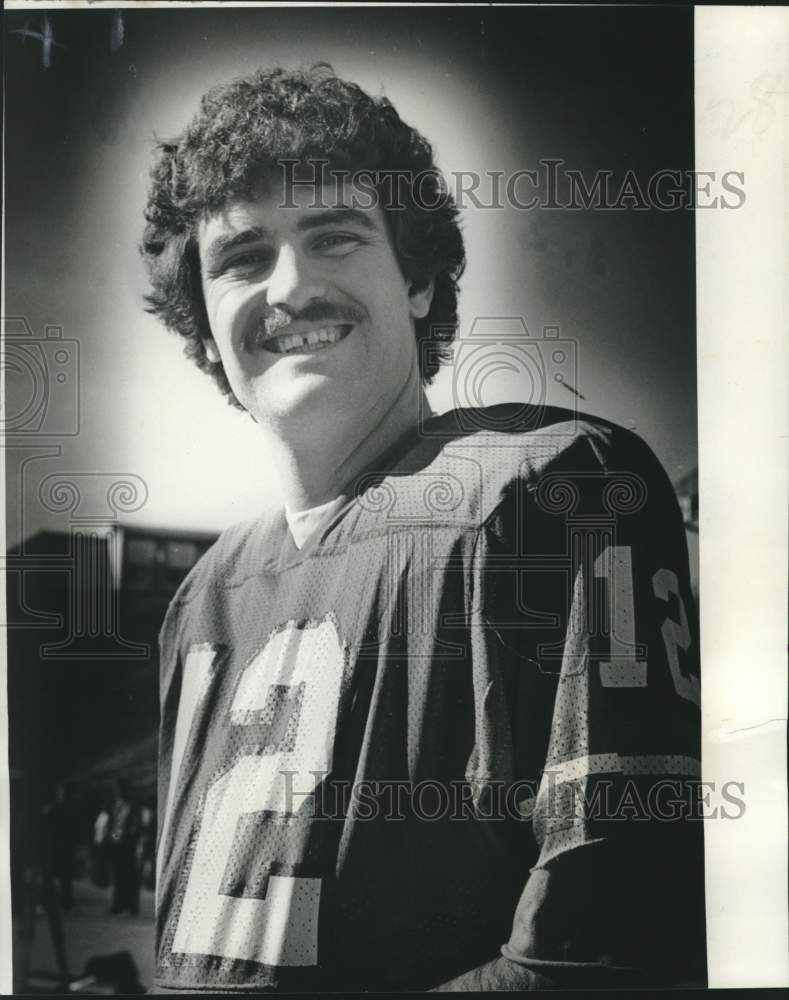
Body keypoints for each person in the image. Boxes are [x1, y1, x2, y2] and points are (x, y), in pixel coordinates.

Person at [141, 66, 706, 992]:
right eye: (242, 256)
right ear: (202, 322)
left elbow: (606, 948)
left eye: (335, 237)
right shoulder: (202, 594)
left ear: (417, 280)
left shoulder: (556, 486)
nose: (290, 286)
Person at [107, 777, 141, 916]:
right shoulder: (116, 806)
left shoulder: (131, 806)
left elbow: (134, 827)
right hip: (118, 844)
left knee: (128, 875)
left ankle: (130, 906)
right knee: (118, 875)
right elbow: (113, 826)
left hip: (127, 845)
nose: (118, 792)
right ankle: (118, 904)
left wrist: (124, 838)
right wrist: (114, 837)